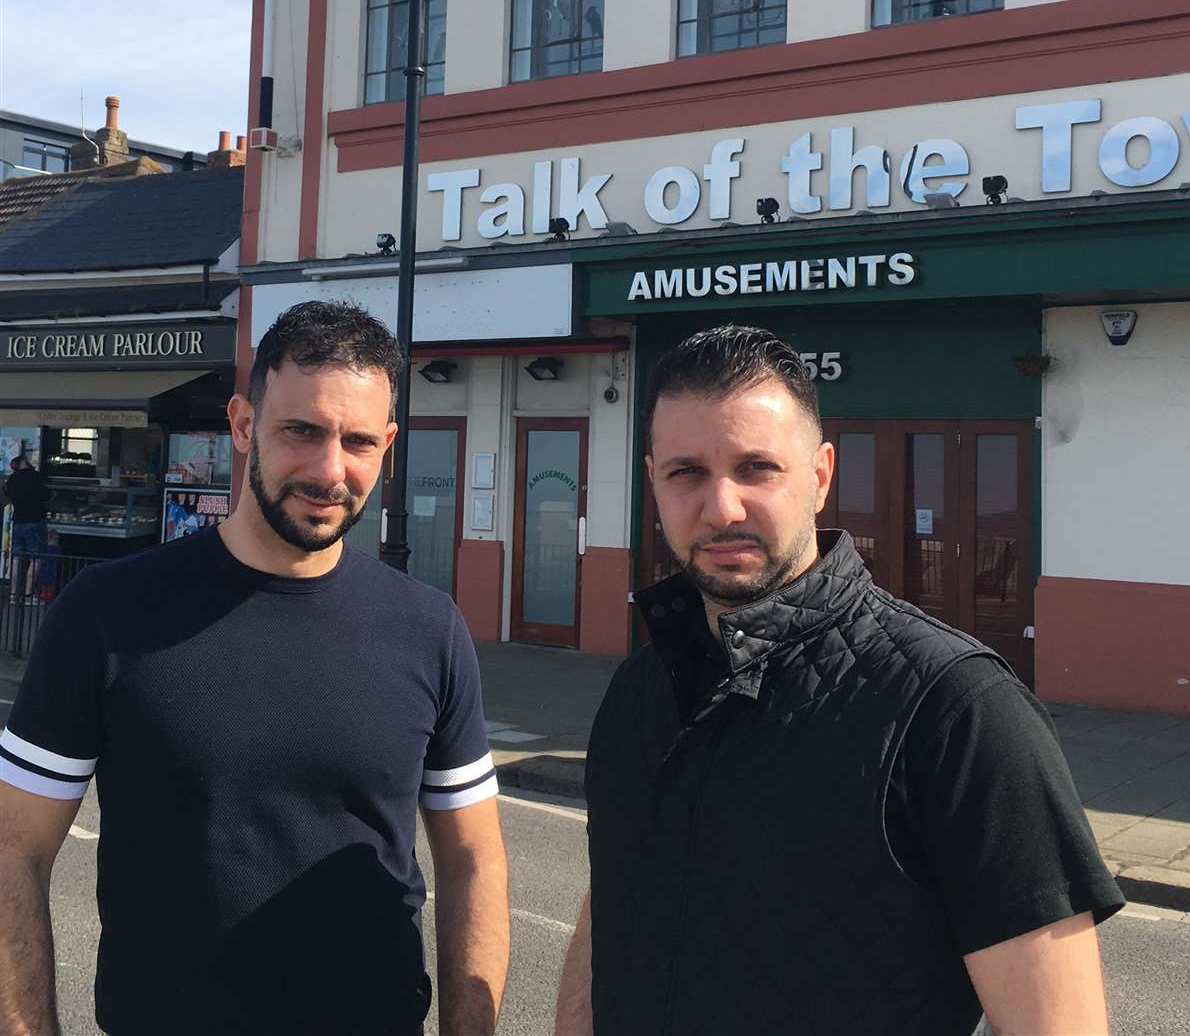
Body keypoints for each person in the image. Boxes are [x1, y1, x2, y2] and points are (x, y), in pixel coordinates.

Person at [555, 326, 1123, 1036]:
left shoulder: (956, 710)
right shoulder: (641, 686)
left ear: (821, 476)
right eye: (686, 473)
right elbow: (609, 904)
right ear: (654, 483)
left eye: (757, 468)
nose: (722, 507)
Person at [0, 302, 510, 1035]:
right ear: (242, 425)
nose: (330, 469)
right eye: (301, 430)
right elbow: (13, 849)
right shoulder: (106, 614)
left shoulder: (428, 629)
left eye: (358, 441)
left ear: (387, 445)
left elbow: (474, 863)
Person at [4, 455, 49, 603]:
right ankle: (28, 594)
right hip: (35, 521)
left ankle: (12, 594)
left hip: (18, 522)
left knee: (16, 559)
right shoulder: (36, 477)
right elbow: (46, 494)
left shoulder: (12, 479)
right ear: (24, 462)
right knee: (35, 558)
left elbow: (7, 496)